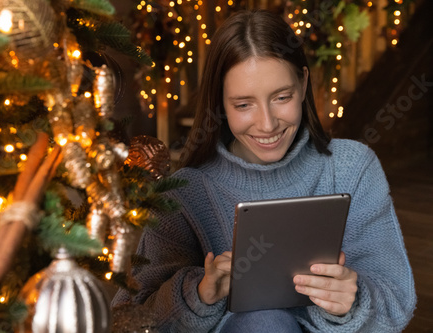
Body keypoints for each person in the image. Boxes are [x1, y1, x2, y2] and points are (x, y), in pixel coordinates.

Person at [112, 10, 416, 332]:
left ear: (303, 84)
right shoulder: (183, 193)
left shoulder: (353, 168)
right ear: (220, 104)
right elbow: (129, 319)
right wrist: (198, 295)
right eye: (244, 105)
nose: (267, 125)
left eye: (281, 97)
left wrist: (352, 304)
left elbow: (396, 301)